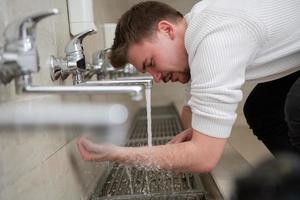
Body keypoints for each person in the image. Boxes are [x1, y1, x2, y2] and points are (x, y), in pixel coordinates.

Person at [77, 0, 300, 173]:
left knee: (295, 106)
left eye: (152, 63)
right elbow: (191, 111)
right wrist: (196, 134)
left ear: (166, 30)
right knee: (262, 110)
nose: (156, 78)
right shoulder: (196, 31)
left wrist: (119, 154)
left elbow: (204, 158)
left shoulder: (213, 38)